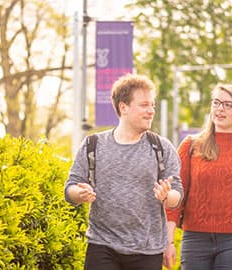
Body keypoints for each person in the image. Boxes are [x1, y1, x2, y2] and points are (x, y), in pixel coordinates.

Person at [64, 73, 184, 270]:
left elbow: (177, 194)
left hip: (147, 250)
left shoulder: (161, 147)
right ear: (123, 107)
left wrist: (166, 196)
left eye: (152, 105)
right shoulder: (93, 145)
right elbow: (70, 189)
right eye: (144, 105)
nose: (151, 111)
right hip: (102, 246)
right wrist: (80, 193)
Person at [164, 83, 232, 270]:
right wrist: (168, 242)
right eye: (216, 103)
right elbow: (176, 197)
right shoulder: (191, 145)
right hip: (196, 238)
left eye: (228, 105)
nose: (220, 109)